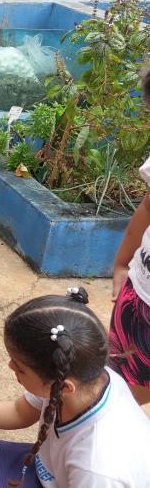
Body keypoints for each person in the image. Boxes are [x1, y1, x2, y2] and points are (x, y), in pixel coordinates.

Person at [0, 288, 150, 488]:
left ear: (64, 387)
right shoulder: (83, 374)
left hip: (67, 477)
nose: (9, 367)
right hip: (49, 473)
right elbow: (20, 411)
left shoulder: (98, 468)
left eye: (20, 368)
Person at [109, 67, 150, 405]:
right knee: (115, 383)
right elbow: (148, 210)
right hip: (138, 292)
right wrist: (122, 263)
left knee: (128, 396)